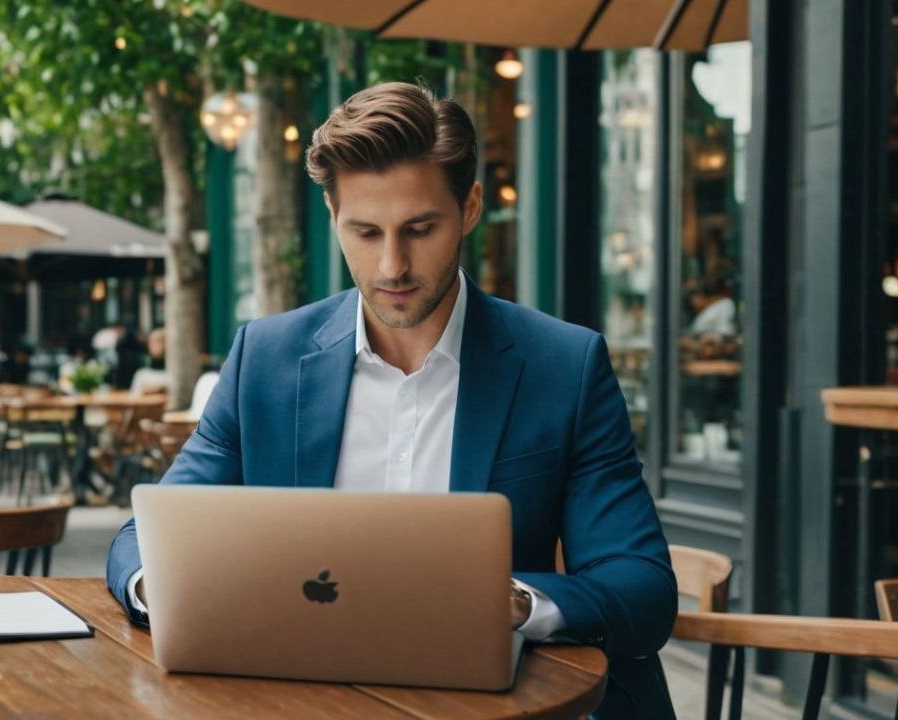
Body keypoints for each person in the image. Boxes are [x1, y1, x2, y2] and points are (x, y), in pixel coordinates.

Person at [106, 82, 676, 718]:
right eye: (365, 231)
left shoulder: (563, 367)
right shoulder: (265, 360)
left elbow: (642, 587)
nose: (390, 267)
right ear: (332, 217)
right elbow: (143, 537)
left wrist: (510, 600)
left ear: (470, 208)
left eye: (419, 229)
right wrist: (160, 588)